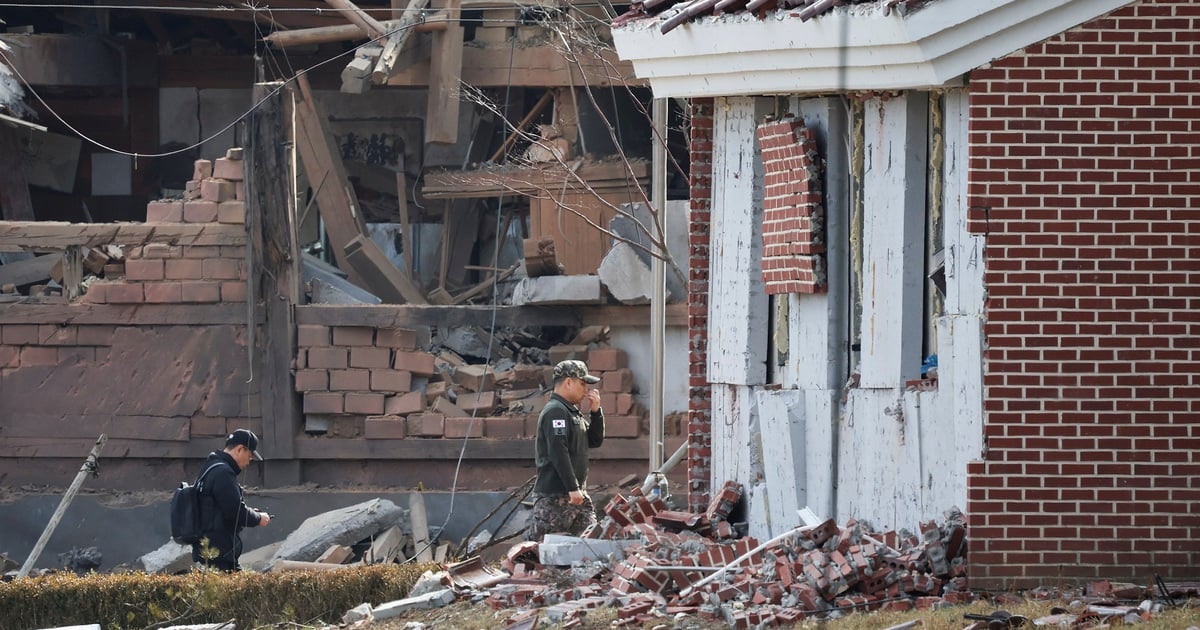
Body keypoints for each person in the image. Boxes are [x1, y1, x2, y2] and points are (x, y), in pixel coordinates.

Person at [527, 359, 605, 541]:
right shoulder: (556, 411)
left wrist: (595, 412)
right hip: (556, 497)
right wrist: (572, 488)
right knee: (541, 552)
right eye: (582, 383)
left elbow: (594, 440)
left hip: (576, 495)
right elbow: (558, 451)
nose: (586, 390)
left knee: (591, 546)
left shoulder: (571, 412)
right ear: (568, 382)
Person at [192, 429, 271, 571]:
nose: (249, 461)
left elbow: (222, 507)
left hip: (208, 547)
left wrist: (250, 513)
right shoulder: (224, 473)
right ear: (240, 449)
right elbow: (235, 511)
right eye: (250, 455)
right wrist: (259, 518)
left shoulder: (210, 467)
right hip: (219, 552)